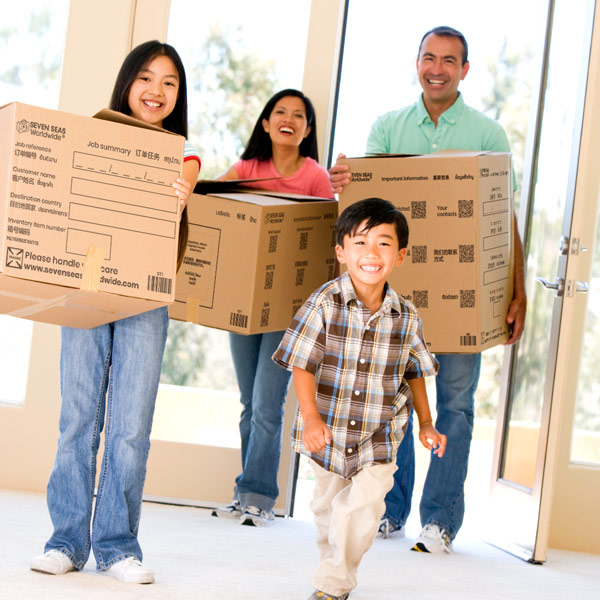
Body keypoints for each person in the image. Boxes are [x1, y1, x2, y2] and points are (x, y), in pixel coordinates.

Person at [329, 26, 527, 554]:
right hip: (398, 300)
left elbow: (504, 221)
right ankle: (391, 510)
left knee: (455, 407)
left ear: (465, 70)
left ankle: (439, 519)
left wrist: (518, 292)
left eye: (449, 60)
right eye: (428, 58)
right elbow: (366, 213)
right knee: (393, 401)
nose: (437, 68)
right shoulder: (389, 128)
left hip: (465, 300)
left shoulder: (488, 135)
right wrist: (346, 183)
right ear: (416, 63)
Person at [29, 40, 201, 584]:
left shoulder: (182, 154)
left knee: (130, 427)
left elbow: (189, 170)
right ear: (127, 83)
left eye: (169, 82)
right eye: (147, 78)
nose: (157, 91)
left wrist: (179, 189)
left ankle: (117, 547)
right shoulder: (91, 139)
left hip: (145, 298)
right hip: (84, 290)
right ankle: (66, 541)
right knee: (79, 418)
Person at [273, 198, 444, 600]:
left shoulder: (407, 316)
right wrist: (312, 420)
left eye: (384, 244)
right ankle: (334, 569)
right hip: (328, 431)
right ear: (341, 251)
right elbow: (301, 364)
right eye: (360, 243)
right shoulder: (324, 303)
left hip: (379, 435)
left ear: (401, 255)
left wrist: (426, 423)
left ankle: (333, 584)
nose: (371, 254)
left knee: (362, 510)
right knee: (327, 512)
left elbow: (416, 371)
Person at [211, 89, 334, 527]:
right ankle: (246, 490)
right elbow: (212, 203)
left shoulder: (315, 177)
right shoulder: (247, 169)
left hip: (291, 311)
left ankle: (259, 496)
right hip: (245, 303)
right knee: (249, 401)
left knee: (268, 403)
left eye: (298, 115)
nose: (288, 119)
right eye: (279, 112)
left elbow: (327, 240)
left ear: (308, 130)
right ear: (265, 123)